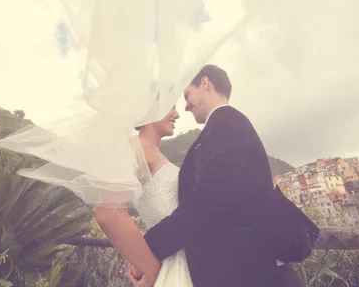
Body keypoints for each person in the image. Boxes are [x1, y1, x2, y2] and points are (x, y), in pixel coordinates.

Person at [128, 64, 319, 287]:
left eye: (187, 95)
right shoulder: (218, 129)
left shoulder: (227, 122)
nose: (185, 106)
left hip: (251, 269)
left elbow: (207, 201)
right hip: (239, 267)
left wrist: (148, 248)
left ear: (205, 83)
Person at [94, 106, 193, 286]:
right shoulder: (134, 148)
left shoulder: (154, 152)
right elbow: (107, 212)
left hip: (185, 263)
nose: (177, 114)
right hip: (169, 268)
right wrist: (152, 271)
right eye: (171, 107)